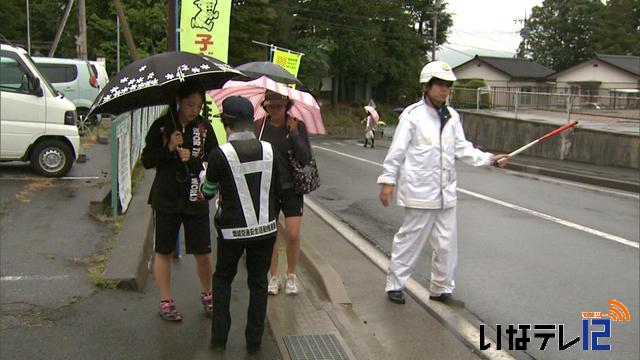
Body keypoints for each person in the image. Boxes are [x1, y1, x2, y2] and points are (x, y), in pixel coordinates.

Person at [377, 61, 509, 307]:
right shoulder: (412, 116)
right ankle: (395, 285)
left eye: (448, 86)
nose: (444, 90)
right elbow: (397, 151)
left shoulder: (452, 116)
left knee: (447, 244)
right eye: (439, 84)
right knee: (409, 240)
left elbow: (462, 148)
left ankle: (441, 288)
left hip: (446, 193)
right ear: (426, 86)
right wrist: (387, 180)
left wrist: (489, 159)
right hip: (419, 192)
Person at [200, 96, 280, 355]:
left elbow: (208, 191)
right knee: (258, 283)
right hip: (266, 230)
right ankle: (254, 344)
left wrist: (204, 179)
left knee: (223, 279)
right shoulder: (270, 150)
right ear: (251, 122)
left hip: (232, 231)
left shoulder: (219, 155)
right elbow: (277, 189)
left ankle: (219, 340)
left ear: (227, 124)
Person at [141, 79, 218, 321]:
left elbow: (215, 162)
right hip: (166, 197)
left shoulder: (205, 129)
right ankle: (166, 300)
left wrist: (192, 160)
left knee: (204, 252)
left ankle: (208, 294)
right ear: (178, 102)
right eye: (189, 105)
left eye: (198, 105)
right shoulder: (162, 127)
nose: (194, 110)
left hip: (196, 197)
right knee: (163, 250)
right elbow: (147, 160)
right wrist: (169, 148)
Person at [257, 90, 311, 296]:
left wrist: (295, 134)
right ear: (265, 106)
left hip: (292, 188)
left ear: (286, 105)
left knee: (293, 234)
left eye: (279, 106)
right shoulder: (260, 127)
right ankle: (274, 276)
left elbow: (305, 157)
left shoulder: (297, 125)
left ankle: (291, 275)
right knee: (270, 236)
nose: (275, 109)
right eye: (271, 106)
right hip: (268, 188)